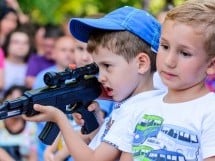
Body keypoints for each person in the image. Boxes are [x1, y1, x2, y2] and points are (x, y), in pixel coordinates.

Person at [23, 6, 164, 161]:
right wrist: (97, 126)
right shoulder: (139, 104)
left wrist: (60, 119)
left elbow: (93, 159)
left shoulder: (135, 110)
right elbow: (108, 152)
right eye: (97, 68)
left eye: (107, 66)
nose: (101, 77)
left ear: (141, 64)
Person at [117, 1, 215, 161]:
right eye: (165, 46)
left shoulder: (210, 112)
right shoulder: (139, 105)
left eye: (184, 53)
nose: (169, 61)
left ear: (211, 65)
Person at [0, 85, 38, 161]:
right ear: (4, 100)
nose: (15, 105)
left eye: (19, 101)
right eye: (12, 99)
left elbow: (33, 154)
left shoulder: (31, 126)